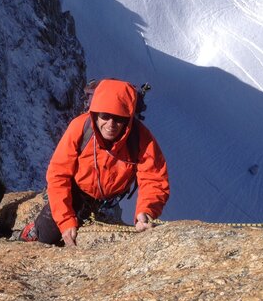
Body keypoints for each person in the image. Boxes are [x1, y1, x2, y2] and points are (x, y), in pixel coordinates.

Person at [20, 79, 169, 246]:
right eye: (105, 116)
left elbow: (154, 179)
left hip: (108, 202)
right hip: (75, 193)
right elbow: (58, 174)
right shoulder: (80, 128)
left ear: (128, 118)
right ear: (95, 114)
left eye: (119, 118)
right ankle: (35, 229)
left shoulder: (140, 138)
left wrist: (146, 211)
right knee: (46, 236)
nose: (111, 124)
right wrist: (65, 220)